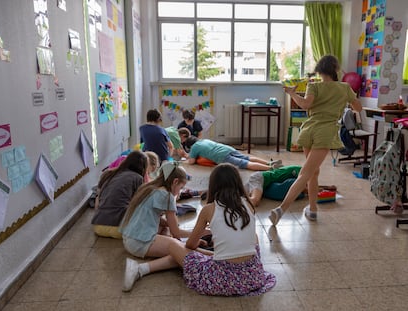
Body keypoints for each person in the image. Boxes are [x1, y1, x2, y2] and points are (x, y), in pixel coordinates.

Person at [124, 163, 276, 296]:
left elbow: (188, 245)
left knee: (178, 247)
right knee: (254, 235)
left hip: (221, 280)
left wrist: (199, 243)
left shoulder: (208, 209)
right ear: (238, 182)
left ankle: (139, 269)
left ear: (213, 185)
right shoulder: (248, 203)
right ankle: (140, 269)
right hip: (251, 276)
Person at [269, 55, 362, 225]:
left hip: (308, 130)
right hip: (325, 132)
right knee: (306, 173)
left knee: (313, 172)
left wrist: (292, 93)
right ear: (336, 70)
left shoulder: (314, 86)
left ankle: (312, 210)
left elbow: (305, 105)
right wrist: (344, 101)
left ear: (320, 71)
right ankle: (281, 209)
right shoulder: (345, 87)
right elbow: (358, 107)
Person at [121, 161, 201, 292]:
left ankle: (166, 249)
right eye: (181, 188)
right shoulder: (166, 195)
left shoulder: (149, 187)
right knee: (182, 254)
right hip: (138, 242)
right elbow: (177, 232)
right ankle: (139, 269)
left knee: (170, 235)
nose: (180, 192)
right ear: (175, 182)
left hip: (129, 239)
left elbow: (157, 220)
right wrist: (200, 233)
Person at [91, 151, 148, 239]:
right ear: (143, 167)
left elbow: (98, 200)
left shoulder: (110, 174)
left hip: (98, 226)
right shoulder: (138, 178)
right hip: (120, 229)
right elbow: (141, 203)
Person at [184, 136, 274, 171]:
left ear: (190, 146)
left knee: (245, 164)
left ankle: (270, 168)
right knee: (246, 158)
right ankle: (269, 163)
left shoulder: (194, 147)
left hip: (221, 156)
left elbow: (191, 161)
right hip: (227, 148)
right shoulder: (204, 140)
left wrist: (186, 159)